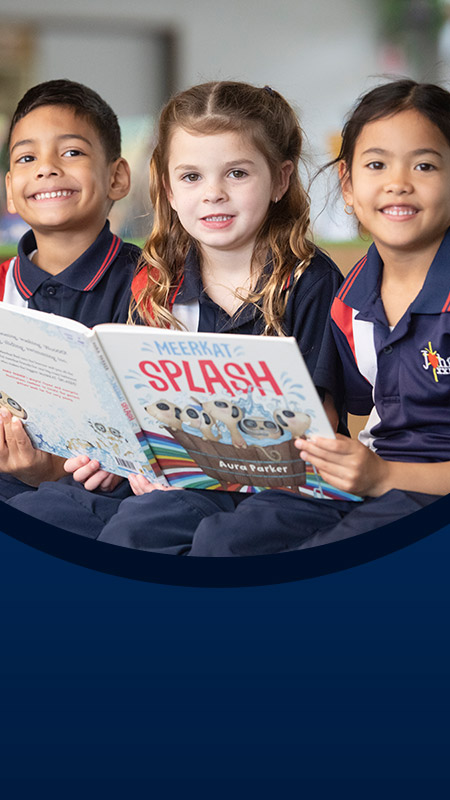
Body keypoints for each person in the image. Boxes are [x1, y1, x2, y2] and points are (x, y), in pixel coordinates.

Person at [8, 81, 345, 543]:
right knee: (41, 511)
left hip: (282, 488)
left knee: (152, 533)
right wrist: (117, 459)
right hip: (170, 481)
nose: (213, 193)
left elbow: (317, 433)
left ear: (280, 180)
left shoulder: (310, 281)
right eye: (191, 177)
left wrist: (178, 469)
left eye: (237, 173)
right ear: (167, 188)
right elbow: (137, 415)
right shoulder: (157, 282)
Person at [167, 77, 449, 556]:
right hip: (373, 479)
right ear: (348, 186)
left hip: (404, 485)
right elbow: (372, 421)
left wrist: (383, 475)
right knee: (220, 541)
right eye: (377, 164)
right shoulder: (352, 299)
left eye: (424, 165)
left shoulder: (316, 283)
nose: (398, 182)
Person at [0, 78, 138, 500]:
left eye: (72, 152)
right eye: (27, 157)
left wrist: (48, 471)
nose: (46, 168)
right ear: (10, 190)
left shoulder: (155, 286)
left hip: (103, 499)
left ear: (117, 177)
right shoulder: (2, 285)